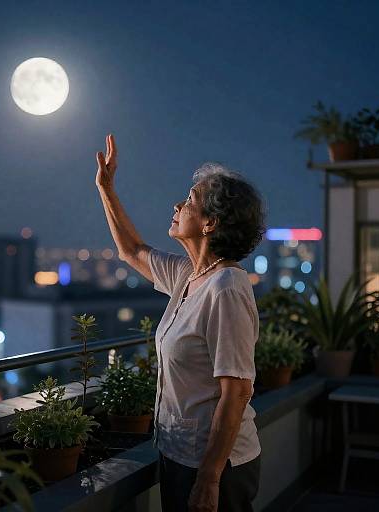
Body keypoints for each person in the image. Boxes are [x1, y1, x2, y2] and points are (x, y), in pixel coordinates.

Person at [95, 134, 267, 512]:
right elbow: (131, 250)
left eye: (189, 200)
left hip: (217, 466)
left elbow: (236, 391)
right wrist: (107, 189)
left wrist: (209, 478)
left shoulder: (226, 288)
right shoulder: (189, 275)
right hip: (178, 453)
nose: (177, 204)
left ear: (210, 223)